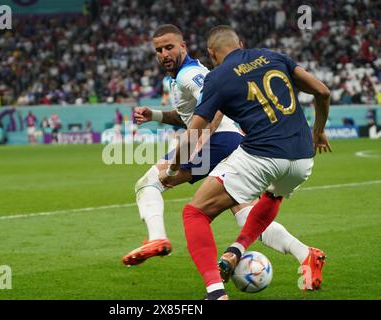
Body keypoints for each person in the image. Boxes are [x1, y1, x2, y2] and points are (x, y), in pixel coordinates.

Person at [125, 25, 323, 292]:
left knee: (150, 183)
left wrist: (198, 144)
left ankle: (158, 239)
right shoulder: (185, 77)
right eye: (159, 50)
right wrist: (157, 115)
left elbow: (209, 110)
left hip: (218, 141)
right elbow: (187, 115)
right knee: (246, 214)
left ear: (184, 46)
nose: (164, 53)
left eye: (170, 47)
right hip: (255, 146)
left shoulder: (192, 74)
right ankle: (305, 254)